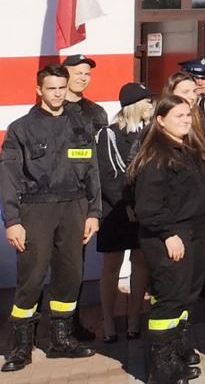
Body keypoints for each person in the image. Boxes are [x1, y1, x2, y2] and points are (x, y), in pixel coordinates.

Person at [2, 66, 102, 372]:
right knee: (31, 277)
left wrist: (94, 213)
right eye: (51, 89)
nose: (58, 94)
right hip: (37, 209)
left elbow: (93, 172)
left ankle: (61, 339)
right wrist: (12, 220)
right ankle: (20, 346)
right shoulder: (21, 128)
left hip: (74, 208)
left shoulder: (81, 125)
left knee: (70, 273)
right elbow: (9, 177)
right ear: (39, 90)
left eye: (61, 88)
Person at [127, 94, 205, 383]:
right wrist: (169, 234)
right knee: (169, 301)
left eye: (188, 115)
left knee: (186, 298)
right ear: (160, 120)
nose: (185, 120)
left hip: (196, 232)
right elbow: (148, 206)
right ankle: (162, 369)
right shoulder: (157, 153)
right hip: (169, 236)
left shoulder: (190, 149)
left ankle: (177, 357)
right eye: (178, 116)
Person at [94, 83, 152, 346]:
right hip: (116, 211)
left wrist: (141, 205)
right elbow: (108, 175)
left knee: (141, 263)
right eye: (147, 101)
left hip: (142, 209)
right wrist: (126, 204)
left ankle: (133, 320)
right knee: (112, 266)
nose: (151, 106)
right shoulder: (108, 134)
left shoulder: (150, 133)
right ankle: (108, 322)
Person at [58, 54, 110, 133]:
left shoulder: (98, 112)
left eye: (87, 74)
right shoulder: (51, 109)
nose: (83, 78)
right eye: (78, 73)